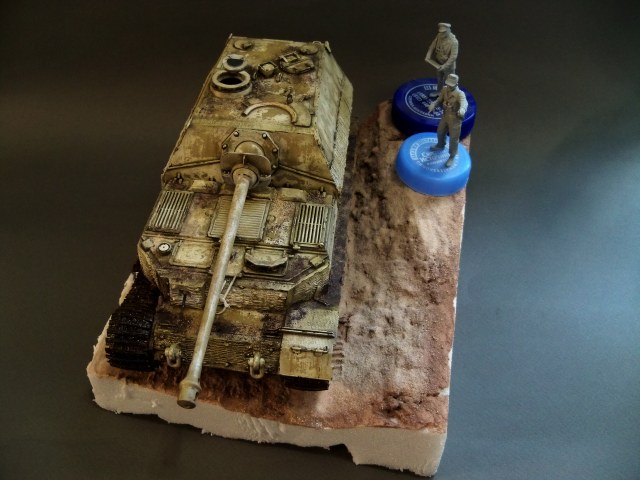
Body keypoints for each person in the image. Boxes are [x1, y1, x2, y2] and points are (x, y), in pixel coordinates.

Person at [428, 74, 468, 167]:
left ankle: (452, 155)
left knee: (454, 139)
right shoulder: (444, 89)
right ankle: (440, 145)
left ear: (456, 84)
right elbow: (439, 99)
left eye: (451, 84)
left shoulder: (460, 94)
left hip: (455, 119)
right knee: (440, 132)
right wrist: (434, 104)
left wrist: (462, 110)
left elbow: (464, 103)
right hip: (445, 115)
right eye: (448, 84)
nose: (449, 86)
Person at [425, 22, 459, 96]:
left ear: (448, 30)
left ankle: (450, 96)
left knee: (450, 82)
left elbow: (453, 56)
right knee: (439, 79)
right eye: (440, 32)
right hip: (438, 63)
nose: (441, 34)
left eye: (444, 32)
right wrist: (428, 55)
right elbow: (432, 46)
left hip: (448, 66)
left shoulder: (454, 42)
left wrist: (445, 66)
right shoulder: (439, 36)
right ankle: (439, 92)